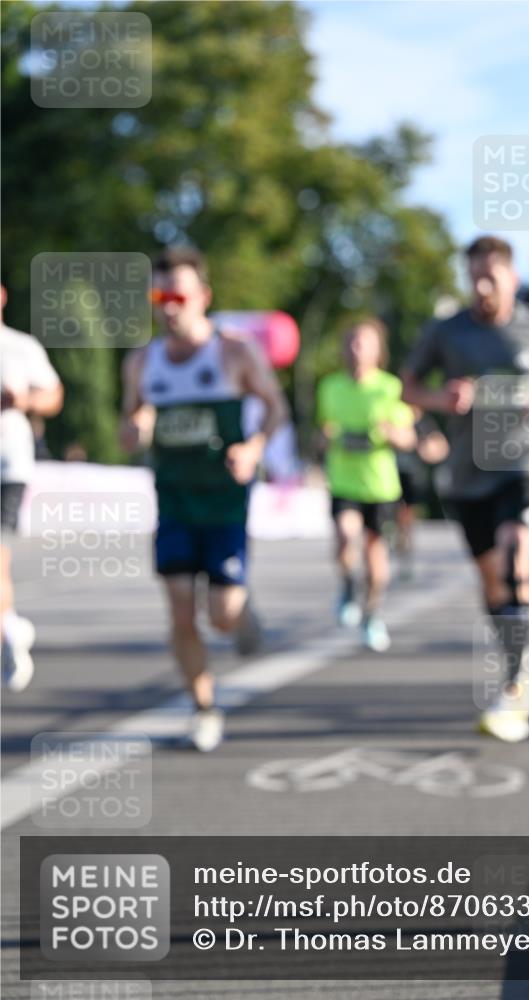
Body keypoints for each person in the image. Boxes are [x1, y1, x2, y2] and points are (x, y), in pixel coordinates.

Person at [402, 236, 529, 742]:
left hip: (523, 463)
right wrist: (441, 396)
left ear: (512, 279)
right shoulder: (446, 330)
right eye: (474, 278)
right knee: (493, 584)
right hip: (465, 474)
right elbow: (407, 387)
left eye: (491, 278)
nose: (481, 288)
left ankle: (517, 683)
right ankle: (515, 656)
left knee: (516, 554)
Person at [119, 247, 288, 752]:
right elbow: (132, 418)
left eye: (179, 295)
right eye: (159, 295)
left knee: (221, 614)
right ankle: (204, 707)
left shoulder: (234, 352)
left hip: (223, 504)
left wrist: (253, 446)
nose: (168, 306)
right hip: (173, 500)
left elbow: (275, 407)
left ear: (203, 298)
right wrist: (135, 427)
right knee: (178, 609)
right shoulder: (141, 361)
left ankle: (242, 611)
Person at [317, 318, 416, 652]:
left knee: (376, 566)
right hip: (344, 482)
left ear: (378, 350)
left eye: (365, 342)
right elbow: (321, 433)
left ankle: (372, 614)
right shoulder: (330, 387)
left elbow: (408, 437)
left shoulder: (390, 388)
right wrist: (325, 438)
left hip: (380, 487)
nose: (357, 349)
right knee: (346, 535)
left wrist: (392, 433)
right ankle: (346, 586)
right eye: (352, 342)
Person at [1, 283, 64, 691]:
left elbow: (53, 396)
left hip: (7, 467)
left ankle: (8, 628)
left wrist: (22, 401)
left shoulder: (20, 347)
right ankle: (9, 624)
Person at [396, 407, 449, 579]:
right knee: (394, 512)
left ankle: (405, 542)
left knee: (407, 514)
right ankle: (396, 536)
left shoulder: (423, 421)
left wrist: (426, 449)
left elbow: (439, 447)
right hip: (390, 474)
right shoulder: (390, 414)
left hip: (413, 474)